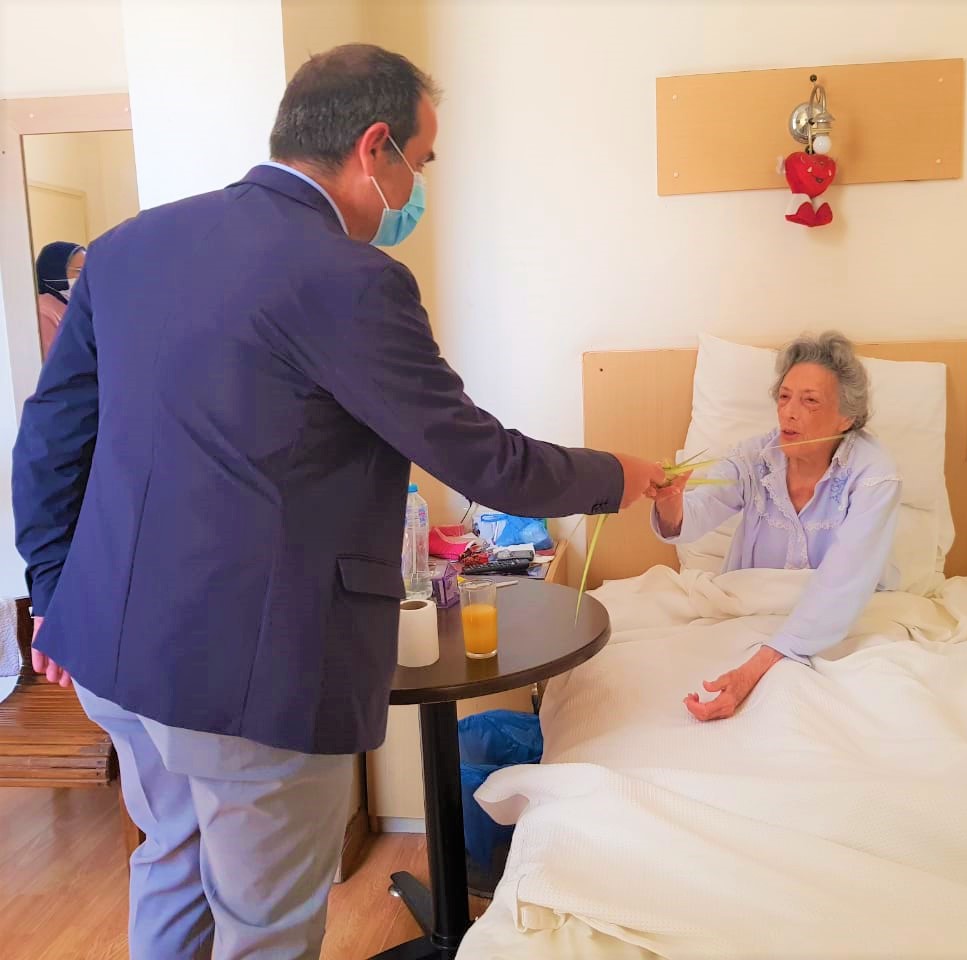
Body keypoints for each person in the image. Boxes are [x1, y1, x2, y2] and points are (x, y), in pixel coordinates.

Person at [11, 44, 664, 960]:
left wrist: (51, 593)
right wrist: (616, 476)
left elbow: (51, 439)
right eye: (420, 162)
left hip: (113, 653)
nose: (417, 188)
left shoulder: (128, 248)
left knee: (170, 862)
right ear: (374, 146)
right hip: (240, 676)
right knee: (265, 925)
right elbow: (483, 460)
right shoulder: (350, 279)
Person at [648, 331, 901, 722]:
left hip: (841, 623)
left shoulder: (873, 477)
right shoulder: (755, 458)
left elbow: (843, 583)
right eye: (784, 396)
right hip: (750, 615)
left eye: (810, 400)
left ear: (846, 417)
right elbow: (697, 513)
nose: (789, 412)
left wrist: (754, 671)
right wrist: (670, 502)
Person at [34, 241, 86, 357]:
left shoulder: (72, 306)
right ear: (56, 272)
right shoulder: (43, 312)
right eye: (79, 271)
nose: (86, 277)